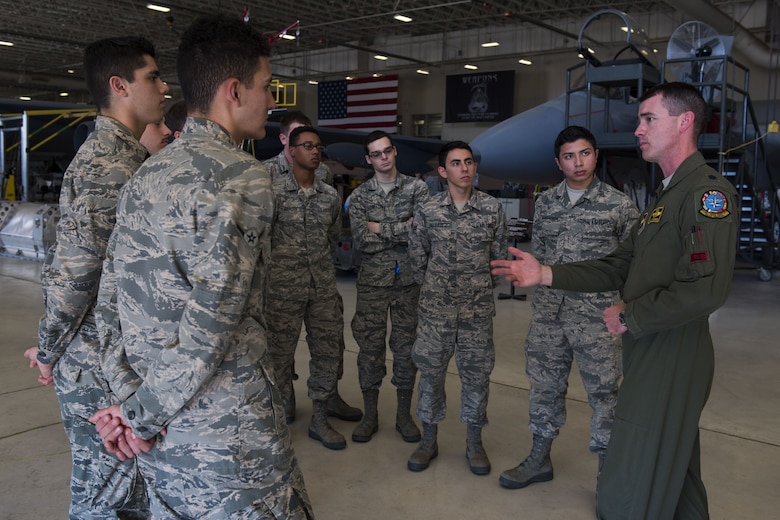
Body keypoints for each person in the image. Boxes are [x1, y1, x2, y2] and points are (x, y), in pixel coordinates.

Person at [88, 16, 313, 518]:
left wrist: (130, 403)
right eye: (265, 87)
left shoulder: (146, 174)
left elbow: (108, 301)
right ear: (234, 90)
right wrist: (138, 417)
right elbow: (211, 323)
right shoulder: (243, 176)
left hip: (162, 432)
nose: (272, 101)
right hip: (228, 437)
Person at [491, 82, 738, 519]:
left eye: (648, 119)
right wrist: (545, 274)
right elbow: (618, 264)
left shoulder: (704, 194)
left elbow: (706, 289)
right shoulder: (666, 197)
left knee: (635, 451)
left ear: (683, 122)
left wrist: (631, 315)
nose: (638, 130)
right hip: (646, 339)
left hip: (668, 344)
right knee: (673, 456)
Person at [24, 35, 168, 519]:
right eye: (152, 77)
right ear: (119, 86)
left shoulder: (129, 158)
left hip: (116, 358)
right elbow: (74, 274)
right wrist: (48, 352)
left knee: (127, 493)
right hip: (95, 366)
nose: (164, 87)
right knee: (104, 496)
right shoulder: (107, 165)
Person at [498, 126, 639, 490]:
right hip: (549, 314)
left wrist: (626, 305)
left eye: (585, 153)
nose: (579, 162)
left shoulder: (619, 205)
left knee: (605, 394)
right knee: (544, 387)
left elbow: (634, 264)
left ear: (596, 155)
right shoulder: (545, 203)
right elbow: (542, 255)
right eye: (569, 156)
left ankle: (609, 475)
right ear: (558, 162)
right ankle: (540, 458)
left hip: (598, 317)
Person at [407, 141, 507, 475]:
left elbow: (499, 258)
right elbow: (417, 257)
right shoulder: (428, 210)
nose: (464, 168)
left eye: (468, 162)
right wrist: (438, 289)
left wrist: (475, 288)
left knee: (477, 378)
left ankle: (474, 443)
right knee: (432, 376)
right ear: (442, 171)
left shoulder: (492, 209)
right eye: (455, 163)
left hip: (477, 314)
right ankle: (429, 440)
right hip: (436, 313)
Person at [263, 110, 360, 423]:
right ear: (288, 145)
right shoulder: (268, 183)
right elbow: (262, 238)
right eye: (307, 144)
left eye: (318, 146)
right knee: (279, 353)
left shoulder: (328, 191)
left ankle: (324, 405)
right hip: (281, 285)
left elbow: (329, 235)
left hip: (320, 284)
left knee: (329, 347)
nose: (315, 151)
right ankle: (282, 407)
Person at [348, 130, 430, 444]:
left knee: (407, 349)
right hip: (372, 284)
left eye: (387, 151)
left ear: (394, 152)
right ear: (368, 159)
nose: (383, 157)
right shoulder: (360, 196)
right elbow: (359, 237)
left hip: (408, 282)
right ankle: (370, 414)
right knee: (369, 349)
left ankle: (403, 415)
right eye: (376, 154)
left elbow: (421, 232)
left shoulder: (417, 188)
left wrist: (380, 227)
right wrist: (401, 227)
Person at [263, 110, 334, 185]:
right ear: (283, 139)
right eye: (296, 135)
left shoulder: (323, 170)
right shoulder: (266, 170)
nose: (304, 139)